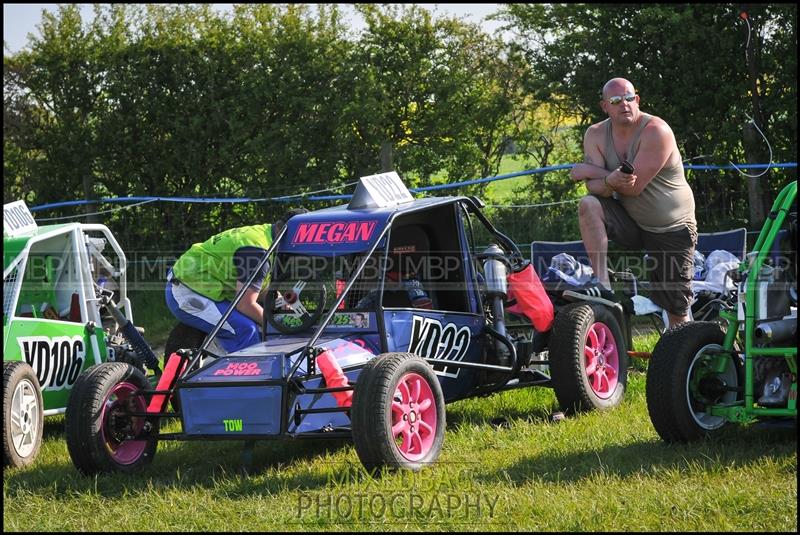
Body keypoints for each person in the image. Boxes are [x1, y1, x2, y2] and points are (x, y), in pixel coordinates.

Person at [569, 77, 697, 328]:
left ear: (637, 100)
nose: (624, 104)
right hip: (631, 222)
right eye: (616, 100)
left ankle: (688, 358)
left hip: (670, 229)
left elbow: (633, 185)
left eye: (629, 98)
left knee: (677, 311)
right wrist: (607, 179)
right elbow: (593, 189)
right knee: (588, 204)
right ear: (605, 106)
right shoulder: (595, 134)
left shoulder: (656, 131)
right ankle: (602, 285)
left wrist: (587, 169)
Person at [165, 208, 308, 353]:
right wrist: (276, 327)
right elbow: (245, 304)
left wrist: (279, 301)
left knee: (257, 323)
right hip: (187, 291)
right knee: (246, 330)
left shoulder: (266, 234)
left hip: (201, 287)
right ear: (292, 234)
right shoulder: (258, 252)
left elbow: (257, 287)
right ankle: (253, 374)